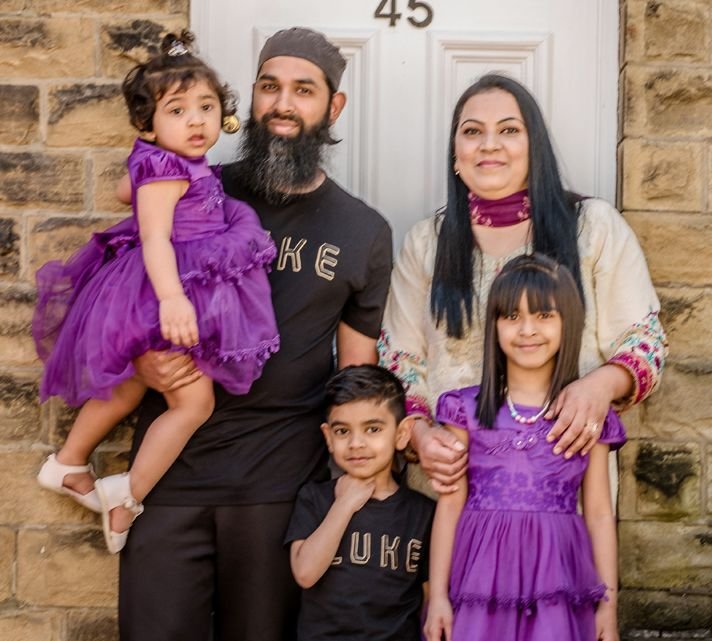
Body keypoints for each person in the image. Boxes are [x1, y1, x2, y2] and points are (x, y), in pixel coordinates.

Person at [119, 27, 393, 641]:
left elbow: (355, 375)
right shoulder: (188, 191)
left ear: (333, 107)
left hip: (281, 485)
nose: (283, 104)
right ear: (251, 98)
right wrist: (141, 367)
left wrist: (356, 480)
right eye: (270, 87)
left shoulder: (363, 230)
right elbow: (119, 297)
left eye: (303, 90)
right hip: (169, 478)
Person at [32, 31, 278, 554]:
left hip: (153, 286)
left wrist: (142, 162)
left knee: (126, 387)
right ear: (149, 122)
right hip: (157, 290)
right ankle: (129, 493)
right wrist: (171, 299)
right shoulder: (168, 169)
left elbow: (128, 190)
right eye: (177, 109)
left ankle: (70, 461)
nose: (195, 120)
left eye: (206, 107)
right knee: (193, 402)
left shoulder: (162, 163)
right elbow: (153, 236)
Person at [378, 74, 666, 494]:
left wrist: (600, 385)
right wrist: (419, 434)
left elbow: (645, 343)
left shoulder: (593, 228)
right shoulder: (427, 243)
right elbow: (399, 358)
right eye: (472, 131)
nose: (489, 144)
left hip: (563, 486)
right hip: (451, 485)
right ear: (456, 155)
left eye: (509, 130)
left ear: (536, 147)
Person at [424, 254, 624, 641]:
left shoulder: (586, 418)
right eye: (512, 316)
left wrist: (609, 606)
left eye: (544, 316)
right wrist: (437, 598)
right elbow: (449, 505)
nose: (527, 329)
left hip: (558, 580)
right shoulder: (463, 410)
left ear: (568, 322)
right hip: (480, 581)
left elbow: (599, 513)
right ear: (494, 326)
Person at [286, 365, 434, 641]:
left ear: (401, 434)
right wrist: (344, 505)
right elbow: (305, 573)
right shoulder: (315, 498)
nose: (356, 443)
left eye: (373, 429)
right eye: (342, 431)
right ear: (328, 437)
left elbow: (428, 598)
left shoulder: (422, 512)